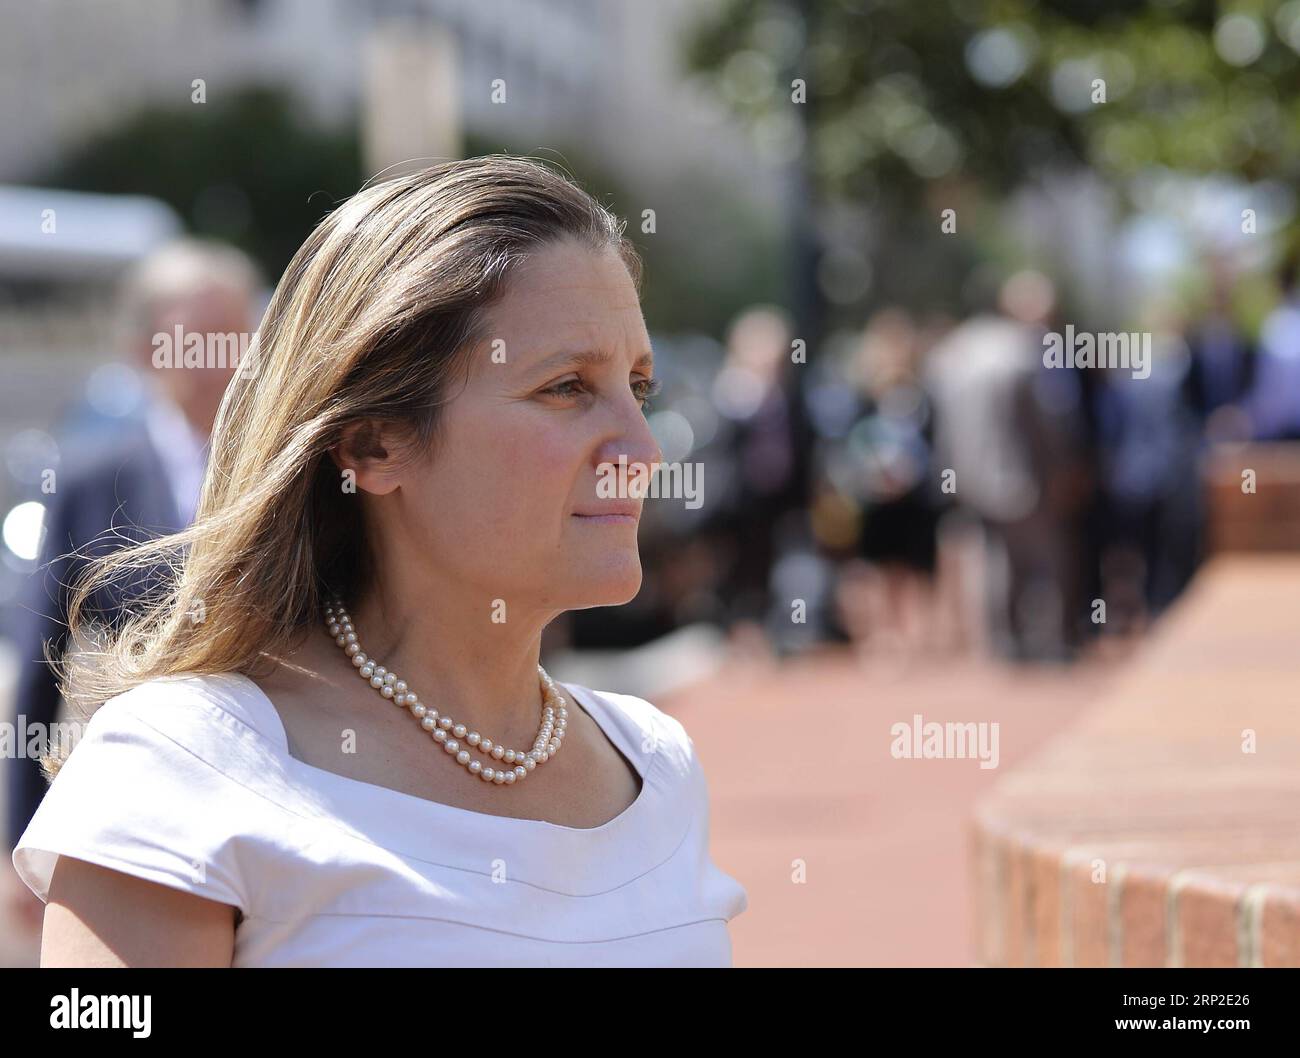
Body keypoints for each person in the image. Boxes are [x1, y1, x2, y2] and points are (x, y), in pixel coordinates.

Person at [10, 157, 748, 967]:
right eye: (568, 387)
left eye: (638, 385)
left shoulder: (655, 764)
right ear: (374, 443)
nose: (640, 449)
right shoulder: (180, 765)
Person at [2, 239, 261, 939]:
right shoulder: (89, 481)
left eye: (236, 338)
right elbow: (36, 664)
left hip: (274, 791)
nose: (222, 361)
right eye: (199, 341)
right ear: (147, 350)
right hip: (145, 806)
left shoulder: (287, 474)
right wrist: (18, 838)